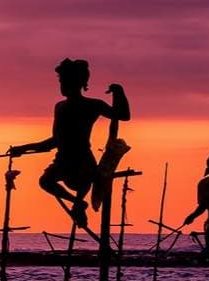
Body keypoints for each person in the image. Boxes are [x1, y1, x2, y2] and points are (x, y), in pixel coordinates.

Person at [9, 59, 130, 227]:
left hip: (82, 162)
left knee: (55, 181)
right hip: (64, 159)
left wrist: (119, 92)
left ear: (77, 83)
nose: (61, 85)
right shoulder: (61, 107)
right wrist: (23, 148)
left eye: (64, 81)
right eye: (61, 81)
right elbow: (55, 141)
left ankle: (78, 203)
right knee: (45, 181)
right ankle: (78, 203)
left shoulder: (92, 105)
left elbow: (123, 115)